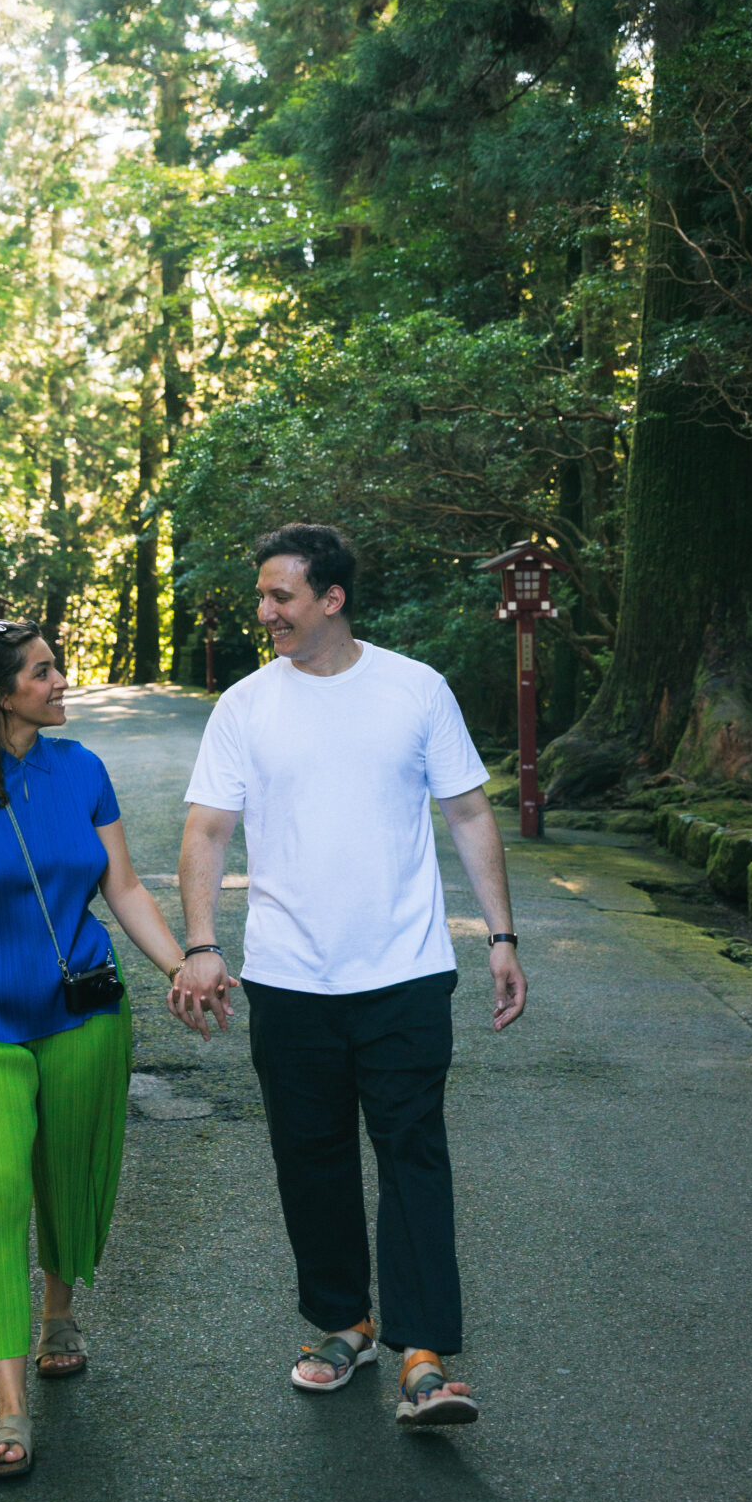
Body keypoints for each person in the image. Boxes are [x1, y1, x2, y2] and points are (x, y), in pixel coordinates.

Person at [174, 523, 526, 1428]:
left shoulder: (415, 689)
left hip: (406, 972)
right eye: (262, 596)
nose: (265, 612)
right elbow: (207, 830)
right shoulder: (245, 706)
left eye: (281, 596)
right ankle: (343, 1325)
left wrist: (500, 935)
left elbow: (469, 813)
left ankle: (424, 1354)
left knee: (414, 1155)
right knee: (310, 1160)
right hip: (289, 978)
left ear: (331, 599)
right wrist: (202, 945)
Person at [0, 619, 189, 1479]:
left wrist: (180, 967)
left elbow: (121, 885)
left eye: (57, 667)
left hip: (81, 1011)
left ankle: (59, 1311)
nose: (61, 682)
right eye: (43, 671)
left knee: (66, 1173)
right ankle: (9, 1409)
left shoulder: (83, 770)